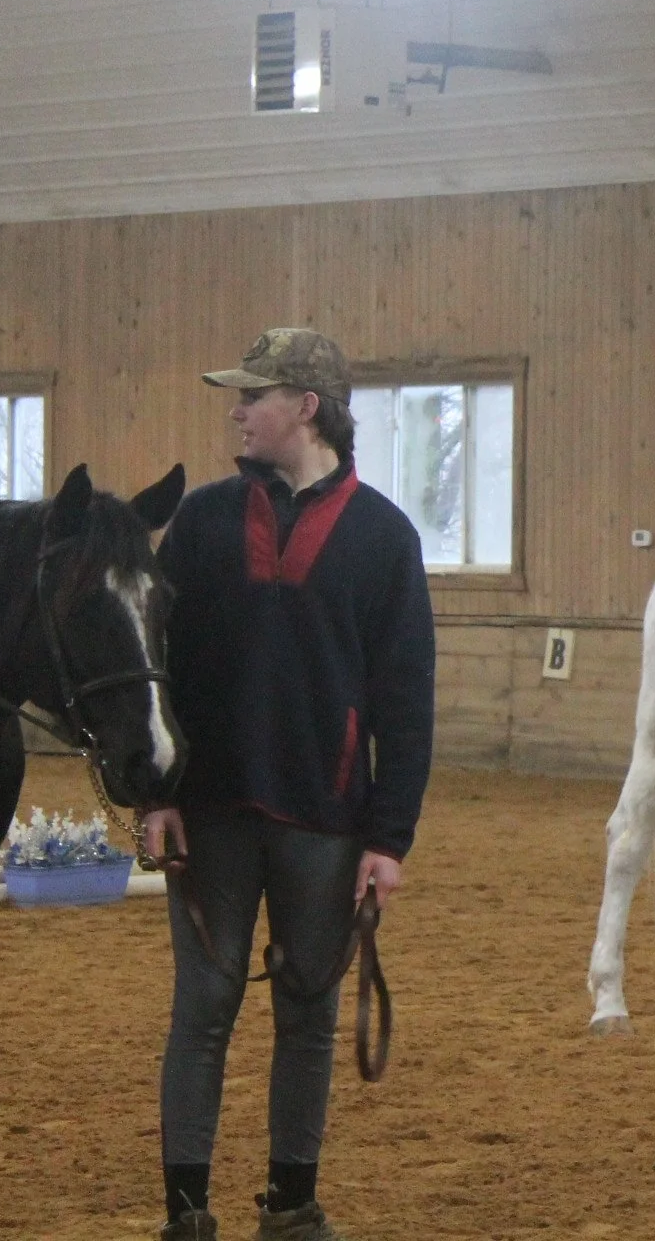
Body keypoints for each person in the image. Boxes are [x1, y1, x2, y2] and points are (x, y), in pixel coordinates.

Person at [139, 328, 436, 1241]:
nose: (235, 409)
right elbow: (157, 667)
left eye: (253, 396)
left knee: (306, 1016)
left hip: (327, 819)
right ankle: (187, 1213)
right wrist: (153, 796)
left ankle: (291, 1206)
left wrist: (389, 840)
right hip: (213, 814)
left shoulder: (385, 536)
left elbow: (405, 698)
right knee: (204, 1011)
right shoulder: (200, 520)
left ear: (306, 408)